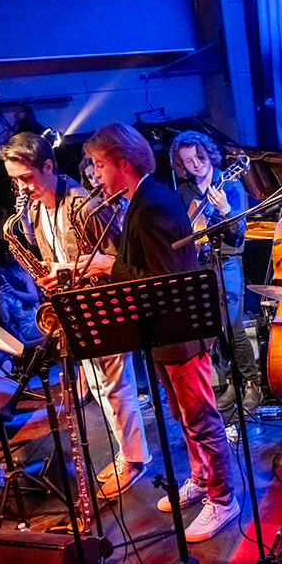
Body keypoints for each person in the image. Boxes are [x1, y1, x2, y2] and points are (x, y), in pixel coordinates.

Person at [79, 122, 239, 542]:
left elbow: (164, 282)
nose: (95, 175)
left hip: (181, 334)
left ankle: (223, 499)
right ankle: (202, 479)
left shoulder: (153, 205)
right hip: (164, 334)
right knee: (181, 416)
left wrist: (107, 267)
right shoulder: (140, 201)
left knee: (202, 419)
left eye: (99, 165)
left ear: (123, 163)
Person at [0, 132, 150, 499]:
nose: (21, 188)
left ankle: (134, 461)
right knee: (99, 388)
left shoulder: (85, 206)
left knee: (117, 388)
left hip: (105, 307)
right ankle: (126, 452)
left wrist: (63, 271)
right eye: (14, 180)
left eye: (26, 178)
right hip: (73, 309)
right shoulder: (33, 210)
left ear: (48, 166)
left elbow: (118, 262)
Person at [170, 131, 261, 414]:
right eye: (188, 161)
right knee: (214, 329)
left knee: (233, 326)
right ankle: (232, 381)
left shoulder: (230, 184)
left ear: (208, 152)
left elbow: (238, 233)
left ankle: (251, 383)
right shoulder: (184, 192)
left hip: (228, 261)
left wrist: (224, 210)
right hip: (199, 265)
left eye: (199, 156)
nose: (196, 164)